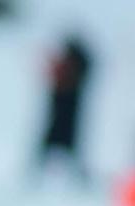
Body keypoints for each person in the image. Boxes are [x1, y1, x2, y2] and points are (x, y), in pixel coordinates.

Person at [36, 35, 94, 185]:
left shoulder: (76, 64)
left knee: (66, 141)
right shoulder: (72, 64)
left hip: (67, 110)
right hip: (61, 109)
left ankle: (73, 175)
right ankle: (40, 170)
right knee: (56, 139)